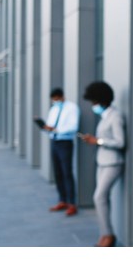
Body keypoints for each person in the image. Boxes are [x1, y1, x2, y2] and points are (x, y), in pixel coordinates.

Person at [81, 81, 125, 247]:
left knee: (98, 197)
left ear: (101, 100)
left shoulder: (116, 116)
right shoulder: (104, 116)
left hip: (113, 163)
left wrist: (98, 140)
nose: (93, 105)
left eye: (94, 102)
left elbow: (120, 142)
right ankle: (105, 234)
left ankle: (108, 235)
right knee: (102, 198)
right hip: (102, 161)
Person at [41, 88, 80, 216]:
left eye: (57, 99)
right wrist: (46, 128)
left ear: (62, 97)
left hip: (65, 142)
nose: (55, 101)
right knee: (57, 172)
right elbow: (50, 125)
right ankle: (62, 200)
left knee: (66, 172)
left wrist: (57, 129)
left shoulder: (72, 108)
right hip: (54, 142)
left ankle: (72, 203)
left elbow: (73, 127)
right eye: (53, 99)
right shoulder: (54, 109)